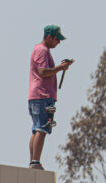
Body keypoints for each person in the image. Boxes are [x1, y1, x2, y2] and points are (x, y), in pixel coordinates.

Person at [28, 24, 73, 170]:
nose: (58, 42)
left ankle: (33, 162)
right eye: (56, 39)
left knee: (37, 129)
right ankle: (35, 162)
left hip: (37, 95)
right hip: (42, 95)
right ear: (49, 37)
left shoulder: (40, 50)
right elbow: (42, 72)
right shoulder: (42, 50)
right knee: (42, 128)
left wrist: (60, 67)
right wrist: (60, 68)